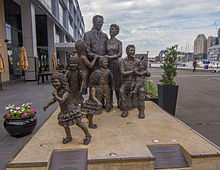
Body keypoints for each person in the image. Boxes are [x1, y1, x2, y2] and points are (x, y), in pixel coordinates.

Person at [43, 73, 91, 145]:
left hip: (71, 110)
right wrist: (47, 105)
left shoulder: (66, 92)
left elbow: (62, 100)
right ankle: (69, 137)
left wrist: (55, 95)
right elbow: (54, 100)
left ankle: (88, 135)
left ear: (61, 81)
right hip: (64, 111)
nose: (54, 84)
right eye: (52, 82)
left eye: (56, 81)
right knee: (65, 125)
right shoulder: (58, 91)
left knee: (79, 123)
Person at [120, 45, 146, 119]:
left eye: (134, 50)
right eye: (131, 50)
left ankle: (141, 111)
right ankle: (125, 109)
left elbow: (143, 71)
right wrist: (132, 71)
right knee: (121, 91)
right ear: (127, 52)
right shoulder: (123, 62)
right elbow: (122, 72)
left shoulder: (138, 61)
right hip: (126, 82)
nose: (133, 52)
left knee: (141, 91)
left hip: (136, 82)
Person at [106, 24, 122, 108]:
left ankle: (119, 102)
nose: (110, 31)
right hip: (107, 64)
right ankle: (110, 103)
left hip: (116, 64)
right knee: (109, 83)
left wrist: (110, 57)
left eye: (112, 29)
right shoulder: (106, 42)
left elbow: (120, 54)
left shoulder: (119, 42)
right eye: (110, 29)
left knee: (117, 84)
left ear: (116, 32)